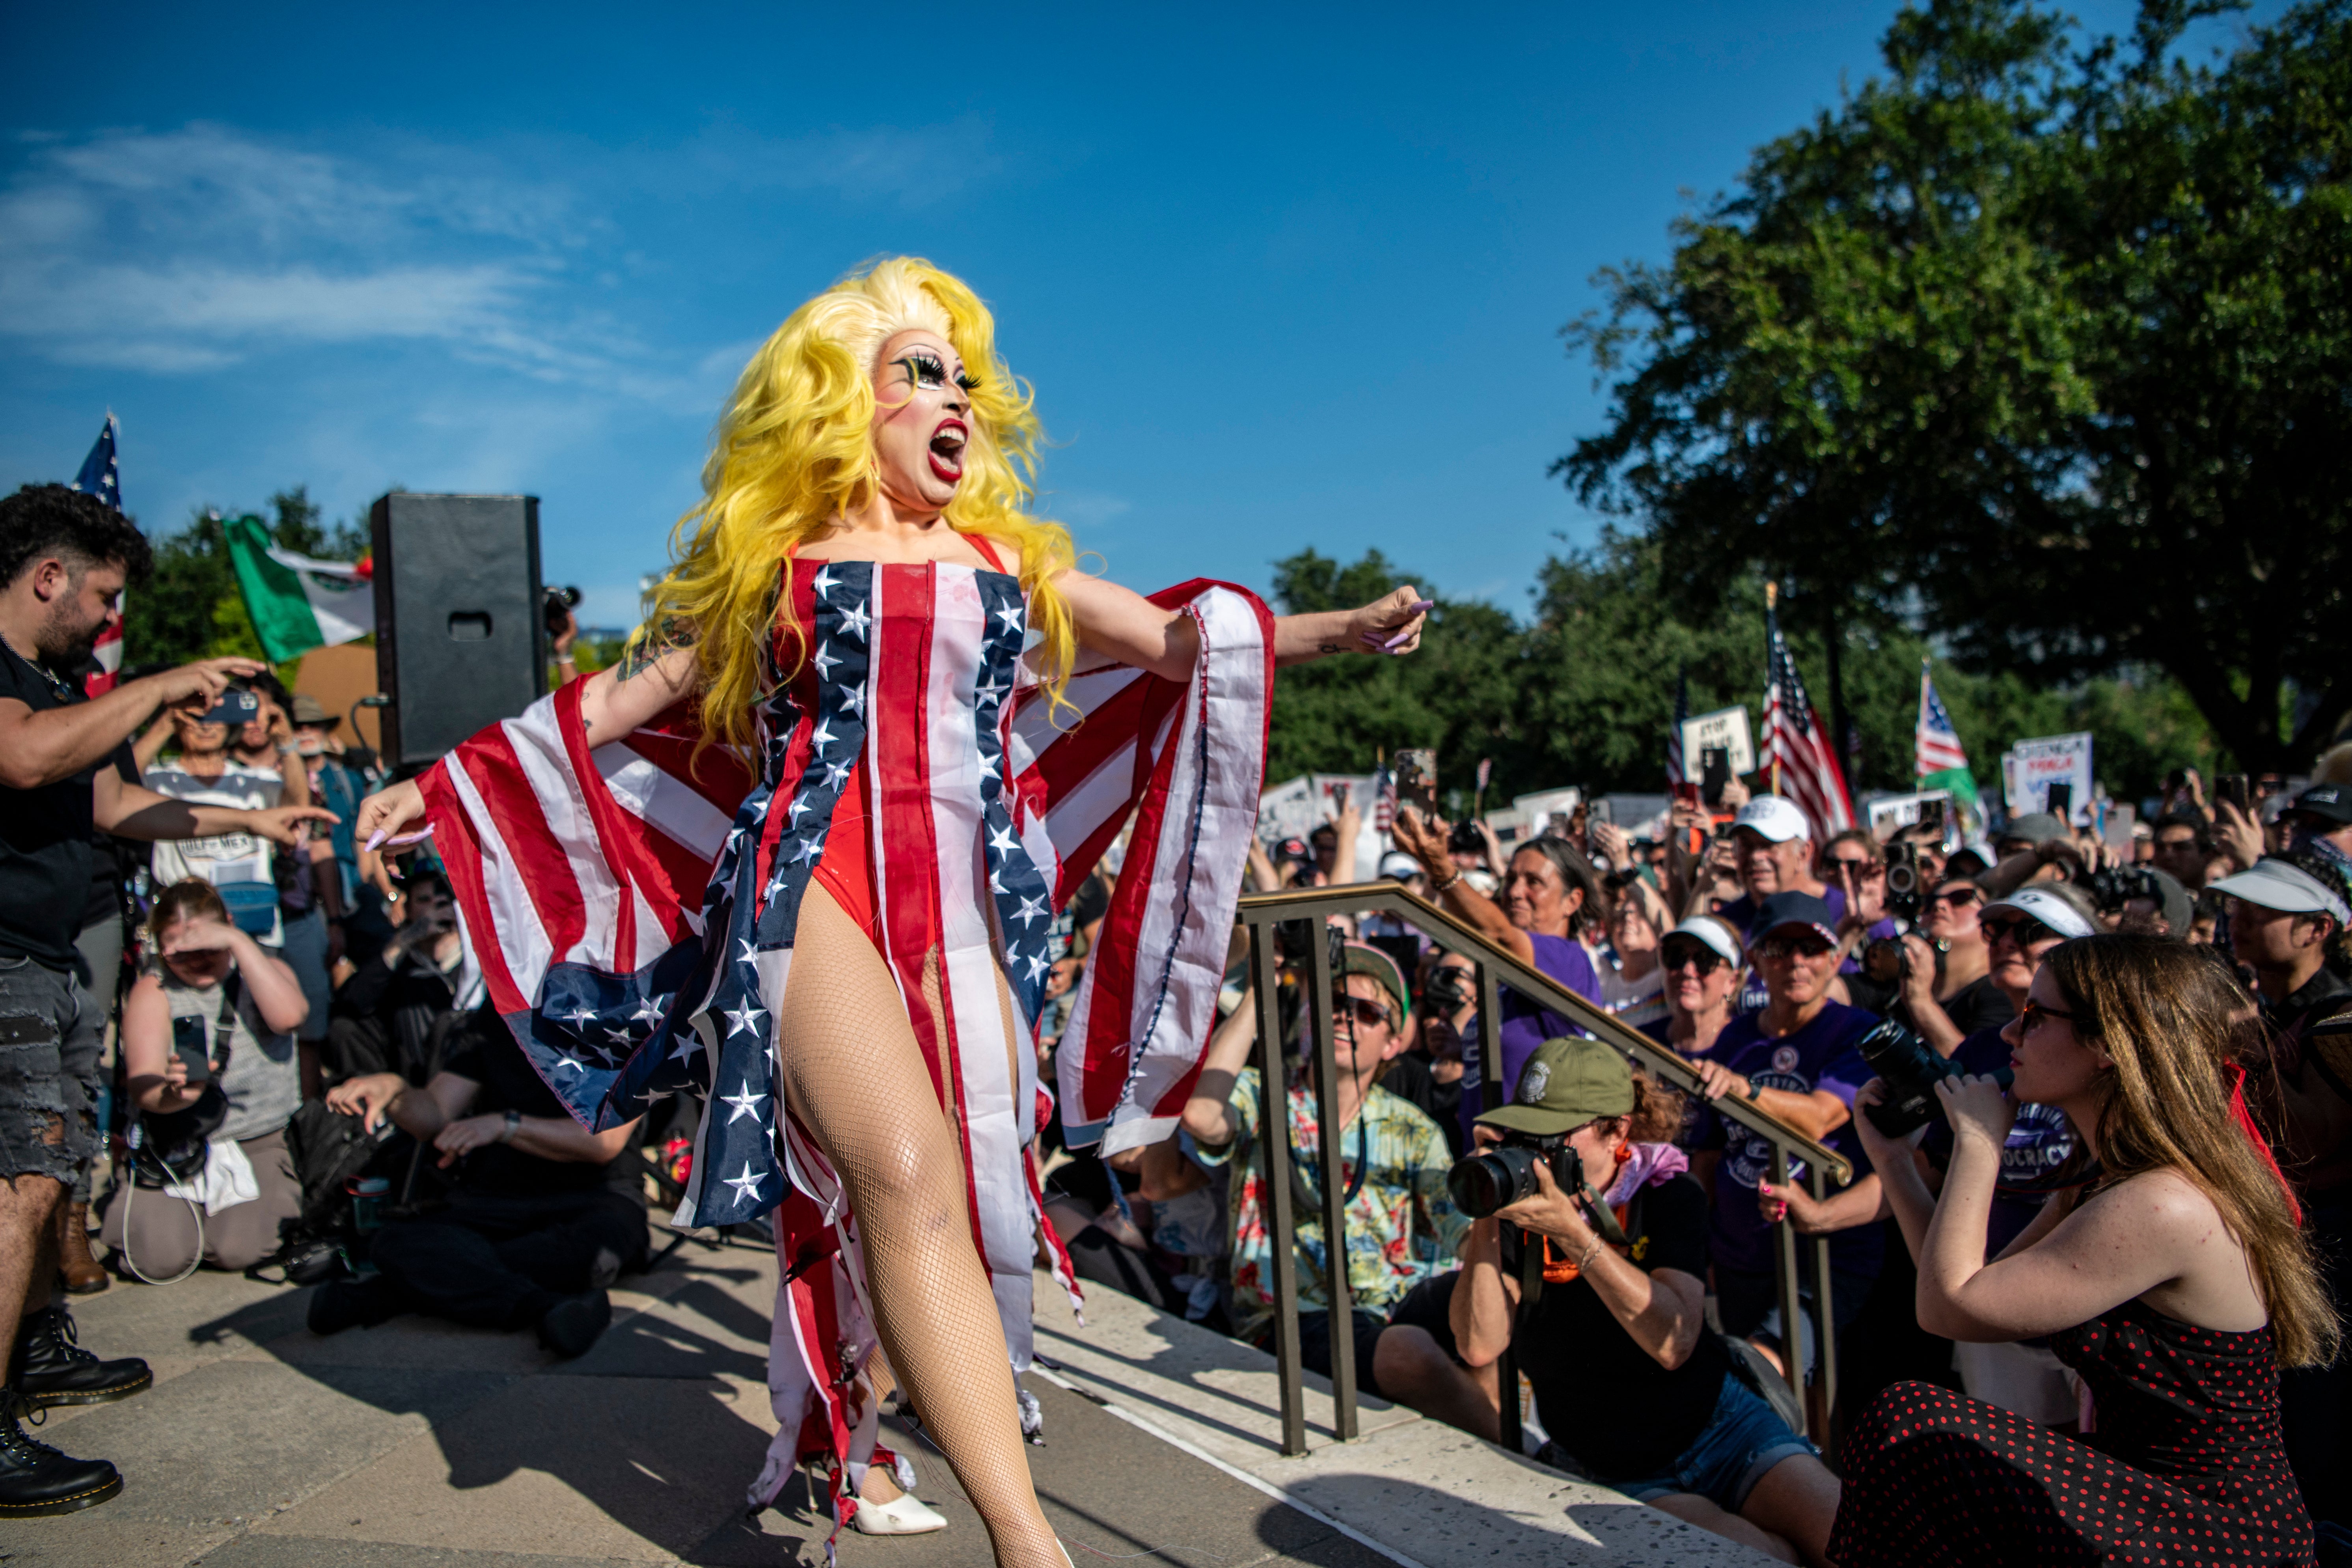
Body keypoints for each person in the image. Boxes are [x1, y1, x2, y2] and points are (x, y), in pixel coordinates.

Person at [351, 258, 1428, 1567]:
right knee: (904, 1173)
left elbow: (1177, 642)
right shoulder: (773, 571)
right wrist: (445, 782)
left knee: (962, 1198)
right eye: (920, 368)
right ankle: (1028, 1543)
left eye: (961, 373)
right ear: (838, 402)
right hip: (810, 888)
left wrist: (1348, 627)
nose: (952, 394)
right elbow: (607, 709)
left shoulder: (1005, 565)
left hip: (969, 916)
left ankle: (883, 1437)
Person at [0, 483, 331, 1515]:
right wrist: (162, 683)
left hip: (47, 956)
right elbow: (21, 758)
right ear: (47, 576)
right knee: (17, 1182)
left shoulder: (58, 683)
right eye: (101, 597)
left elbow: (113, 803)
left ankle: (34, 1347)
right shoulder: (15, 683)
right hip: (5, 954)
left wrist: (251, 825)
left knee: (51, 1172)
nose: (107, 618)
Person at [1829, 936, 2332, 1566]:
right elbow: (1974, 1288)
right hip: (2148, 1500)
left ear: (2106, 1046)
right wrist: (1895, 1166)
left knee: (1908, 1422)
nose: (2009, 1031)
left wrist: (1980, 1143)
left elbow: (1947, 1307)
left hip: (2215, 1530)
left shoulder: (2162, 1204)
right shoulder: (2111, 1179)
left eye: (2037, 1017)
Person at [1451, 1038, 1841, 1564]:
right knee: (1756, 1557)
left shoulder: (1666, 1193)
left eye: (1553, 1133)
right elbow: (1478, 1344)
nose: (1537, 1150)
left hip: (1723, 1424)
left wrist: (1574, 1233)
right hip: (1621, 1468)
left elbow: (1673, 1341)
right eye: (1527, 1131)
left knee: (1853, 1537)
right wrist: (1485, 1211)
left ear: (1616, 1128)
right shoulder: (1521, 1218)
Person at [1182, 944, 1492, 1437]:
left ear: (1392, 1042)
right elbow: (1200, 1115)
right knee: (1406, 1351)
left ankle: (1504, 1443)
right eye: (1332, 1003)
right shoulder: (1264, 1094)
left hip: (1387, 1302)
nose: (1346, 1017)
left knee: (1495, 1290)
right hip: (1286, 1315)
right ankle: (1517, 1451)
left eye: (1367, 1012)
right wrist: (1260, 992)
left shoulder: (1411, 1127)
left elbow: (1460, 1231)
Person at [311, 1005, 647, 1356]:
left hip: (595, 1196)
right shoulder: (501, 1012)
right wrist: (395, 1091)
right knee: (397, 1239)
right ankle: (540, 1306)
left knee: (591, 1253)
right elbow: (434, 1115)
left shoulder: (622, 1007)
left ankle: (389, 1294)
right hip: (499, 1197)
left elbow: (603, 1143)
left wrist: (506, 1125)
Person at [1686, 892, 1880, 1380]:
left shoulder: (1857, 1031)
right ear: (1754, 961)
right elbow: (1708, 1153)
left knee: (1769, 1372)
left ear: (1835, 959)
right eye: (1779, 947)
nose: (1796, 961)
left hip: (1824, 1250)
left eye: (1811, 948)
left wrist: (1743, 1089)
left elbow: (1819, 1118)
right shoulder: (1735, 1039)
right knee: (1781, 1399)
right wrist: (1703, 1245)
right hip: (1740, 1254)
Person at [104, 880, 307, 1278]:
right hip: (178, 1138)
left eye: (207, 946)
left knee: (237, 1250)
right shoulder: (154, 989)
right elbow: (144, 1089)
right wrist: (175, 1094)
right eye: (180, 951)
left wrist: (236, 941)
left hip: (257, 1139)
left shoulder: (266, 969)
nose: (196, 960)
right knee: (157, 1260)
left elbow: (290, 1017)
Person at [1388, 813, 1610, 1142]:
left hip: (1533, 1159)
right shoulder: (1506, 982)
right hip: (1486, 1165)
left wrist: (1441, 869)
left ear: (1572, 901)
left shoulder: (1567, 959)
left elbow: (1499, 934)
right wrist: (1463, 1048)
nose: (1516, 892)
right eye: (1511, 879)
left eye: (1534, 882)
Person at [324, 871, 470, 1089]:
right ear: (408, 909)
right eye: (424, 901)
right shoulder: (399, 959)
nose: (435, 908)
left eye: (444, 900)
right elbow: (350, 1003)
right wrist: (403, 942)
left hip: (460, 1072)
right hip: (404, 1068)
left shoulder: (476, 960)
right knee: (344, 1027)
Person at [2212, 853, 2349, 1037]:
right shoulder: (2228, 996)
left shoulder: (2340, 1021)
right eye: (2239, 904)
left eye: (2263, 908)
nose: (2240, 921)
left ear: (2318, 929)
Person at [1890, 876, 2017, 1055]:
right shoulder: (1900, 982)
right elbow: (1836, 993)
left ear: (1993, 928)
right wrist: (1852, 930)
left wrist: (1920, 1001)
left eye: (1960, 898)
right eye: (1930, 902)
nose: (1939, 905)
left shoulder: (2001, 993)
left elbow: (1977, 1068)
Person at [1643, 915, 1746, 1067]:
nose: (1688, 971)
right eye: (1676, 956)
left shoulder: (1747, 1049)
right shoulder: (1642, 1043)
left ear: (1732, 982)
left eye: (1705, 960)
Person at [2150, 811, 2216, 893]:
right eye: (2160, 848)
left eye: (2181, 847)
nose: (2168, 855)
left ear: (2207, 855)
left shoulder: (2224, 901)